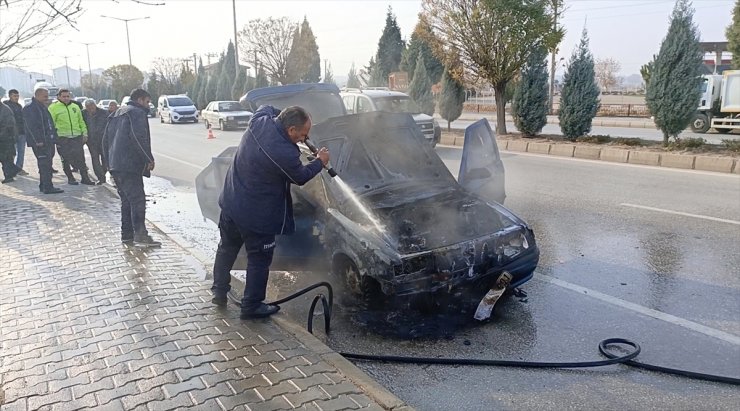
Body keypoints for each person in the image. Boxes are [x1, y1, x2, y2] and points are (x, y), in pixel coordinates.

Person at [211, 105, 329, 319]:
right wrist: (319, 162)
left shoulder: (259, 120)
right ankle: (252, 306)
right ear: (291, 130)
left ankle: (219, 291)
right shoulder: (283, 152)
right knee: (259, 258)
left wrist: (285, 113)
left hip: (231, 201)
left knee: (227, 248)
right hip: (256, 215)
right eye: (303, 134)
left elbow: (266, 107)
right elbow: (300, 176)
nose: (305, 139)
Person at [103, 88, 160, 248]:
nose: (148, 105)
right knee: (138, 200)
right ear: (140, 100)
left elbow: (105, 141)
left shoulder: (116, 113)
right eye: (147, 102)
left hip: (116, 165)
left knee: (126, 201)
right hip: (129, 165)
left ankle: (127, 235)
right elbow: (137, 137)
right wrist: (148, 158)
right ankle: (141, 236)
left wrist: (108, 164)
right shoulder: (137, 113)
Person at [48, 89, 94, 185]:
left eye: (67, 96)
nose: (66, 98)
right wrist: (54, 138)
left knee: (80, 158)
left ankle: (85, 178)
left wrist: (84, 133)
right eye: (63, 96)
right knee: (66, 159)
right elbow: (51, 124)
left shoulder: (75, 107)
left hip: (76, 137)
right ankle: (70, 178)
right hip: (62, 138)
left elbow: (80, 121)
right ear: (59, 97)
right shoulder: (53, 108)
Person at [22, 87, 63, 194]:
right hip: (40, 142)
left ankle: (44, 185)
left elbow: (49, 123)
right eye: (45, 96)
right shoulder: (30, 108)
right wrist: (38, 140)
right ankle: (47, 187)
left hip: (48, 140)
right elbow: (31, 127)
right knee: (44, 164)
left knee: (47, 164)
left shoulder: (42, 107)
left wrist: (54, 138)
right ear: (38, 95)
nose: (47, 98)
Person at [83, 99, 108, 184]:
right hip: (91, 141)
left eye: (92, 107)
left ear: (95, 105)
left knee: (105, 159)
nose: (90, 109)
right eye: (88, 108)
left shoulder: (104, 113)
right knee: (95, 158)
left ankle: (103, 172)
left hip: (103, 140)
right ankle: (101, 178)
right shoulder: (83, 113)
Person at [5, 90, 28, 176]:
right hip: (11, 134)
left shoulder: (19, 106)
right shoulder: (6, 106)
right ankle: (10, 169)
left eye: (17, 96)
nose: (16, 98)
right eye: (14, 96)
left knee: (21, 152)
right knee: (11, 153)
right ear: (10, 96)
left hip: (21, 132)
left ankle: (19, 168)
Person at [0, 100, 20, 184]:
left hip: (6, 138)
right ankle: (13, 171)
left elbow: (9, 125)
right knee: (4, 158)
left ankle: (9, 175)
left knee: (6, 158)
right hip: (3, 138)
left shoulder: (5, 109)